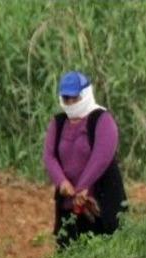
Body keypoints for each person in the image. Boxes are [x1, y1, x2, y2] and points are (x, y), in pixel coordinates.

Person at [42, 71, 126, 248]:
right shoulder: (58, 123)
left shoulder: (102, 119)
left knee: (104, 249)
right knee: (68, 250)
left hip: (99, 204)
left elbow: (101, 156)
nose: (71, 103)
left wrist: (83, 186)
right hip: (69, 204)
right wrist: (62, 182)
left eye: (75, 98)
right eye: (66, 98)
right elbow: (49, 156)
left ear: (86, 94)